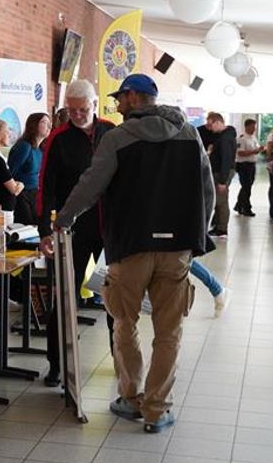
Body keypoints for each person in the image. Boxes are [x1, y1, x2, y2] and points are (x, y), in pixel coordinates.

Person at [55, 73, 214, 434]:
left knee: (125, 323)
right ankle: (157, 410)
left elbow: (90, 186)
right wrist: (197, 237)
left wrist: (64, 219)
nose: (118, 104)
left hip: (129, 247)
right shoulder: (190, 135)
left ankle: (131, 397)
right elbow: (207, 191)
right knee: (169, 331)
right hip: (175, 250)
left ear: (134, 97)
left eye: (121, 98)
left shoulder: (118, 137)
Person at [38, 79, 115, 387]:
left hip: (109, 228)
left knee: (114, 297)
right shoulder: (58, 139)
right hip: (73, 229)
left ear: (94, 105)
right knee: (65, 297)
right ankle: (56, 364)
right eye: (72, 110)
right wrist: (46, 230)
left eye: (83, 109)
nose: (78, 114)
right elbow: (47, 187)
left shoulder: (112, 132)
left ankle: (119, 356)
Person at [7, 112, 52, 225]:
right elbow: (10, 173)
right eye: (44, 122)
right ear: (34, 125)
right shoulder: (24, 146)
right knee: (25, 228)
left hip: (35, 194)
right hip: (22, 195)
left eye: (49, 123)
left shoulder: (40, 149)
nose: (49, 126)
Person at [198, 112, 236, 238]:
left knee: (221, 200)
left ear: (218, 122)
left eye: (211, 124)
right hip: (219, 171)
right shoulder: (223, 136)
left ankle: (222, 229)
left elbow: (226, 159)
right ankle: (219, 226)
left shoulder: (225, 138)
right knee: (220, 199)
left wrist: (222, 181)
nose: (209, 128)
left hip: (221, 173)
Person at [234, 119, 261, 217]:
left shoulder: (253, 137)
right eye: (252, 127)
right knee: (247, 187)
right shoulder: (241, 138)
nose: (254, 129)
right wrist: (254, 152)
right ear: (247, 126)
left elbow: (256, 148)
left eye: (255, 127)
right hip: (243, 165)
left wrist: (259, 150)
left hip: (252, 164)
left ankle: (239, 205)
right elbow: (240, 152)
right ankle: (246, 208)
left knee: (247, 186)